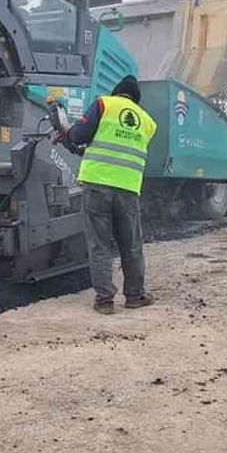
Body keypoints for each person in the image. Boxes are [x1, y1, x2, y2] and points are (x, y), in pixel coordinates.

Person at [56, 75, 158, 314]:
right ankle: (135, 295)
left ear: (117, 93)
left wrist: (66, 134)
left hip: (97, 186)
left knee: (100, 245)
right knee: (131, 245)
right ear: (136, 99)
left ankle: (104, 301)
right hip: (128, 189)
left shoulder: (104, 104)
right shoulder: (148, 122)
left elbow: (79, 135)